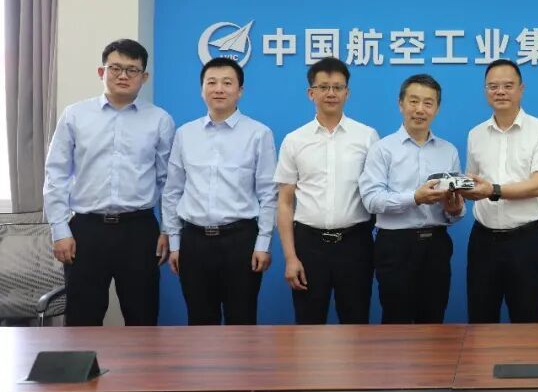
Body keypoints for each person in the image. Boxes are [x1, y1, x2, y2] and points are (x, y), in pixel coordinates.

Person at [43, 39, 175, 326]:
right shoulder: (75, 115)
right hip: (86, 230)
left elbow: (167, 182)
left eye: (132, 70)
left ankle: (141, 360)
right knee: (82, 320)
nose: (123, 75)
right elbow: (56, 175)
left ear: (144, 77)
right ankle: (83, 361)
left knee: (142, 318)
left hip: (139, 230)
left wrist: (168, 229)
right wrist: (59, 229)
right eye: (115, 68)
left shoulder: (160, 120)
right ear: (101, 72)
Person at [162, 57, 277, 325]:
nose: (219, 89)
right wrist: (175, 242)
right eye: (211, 82)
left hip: (240, 240)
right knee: (200, 322)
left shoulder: (259, 134)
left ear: (240, 90)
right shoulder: (185, 133)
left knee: (242, 320)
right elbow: (172, 191)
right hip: (194, 241)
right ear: (202, 89)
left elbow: (269, 193)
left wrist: (263, 243)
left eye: (227, 83)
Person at [274, 57, 379, 324]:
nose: (331, 93)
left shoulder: (367, 136)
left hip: (355, 244)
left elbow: (376, 192)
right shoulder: (294, 140)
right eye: (323, 87)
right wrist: (290, 257)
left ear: (347, 93)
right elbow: (284, 203)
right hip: (309, 246)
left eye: (337, 87)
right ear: (311, 93)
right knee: (308, 326)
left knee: (356, 324)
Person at [359, 74, 464, 324]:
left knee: (434, 320)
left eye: (428, 103)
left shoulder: (448, 150)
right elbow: (372, 200)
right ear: (400, 104)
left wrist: (454, 209)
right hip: (395, 246)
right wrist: (415, 198)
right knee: (397, 323)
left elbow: (456, 209)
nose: (420, 109)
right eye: (413, 101)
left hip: (436, 245)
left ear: (437, 108)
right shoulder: (382, 149)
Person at [459, 59, 538, 323]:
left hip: (524, 241)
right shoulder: (475, 134)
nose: (500, 92)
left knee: (527, 321)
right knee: (480, 321)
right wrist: (458, 191)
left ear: (521, 89)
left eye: (507, 85)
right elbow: (473, 182)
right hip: (482, 241)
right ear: (485, 91)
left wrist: (493, 190)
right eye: (493, 86)